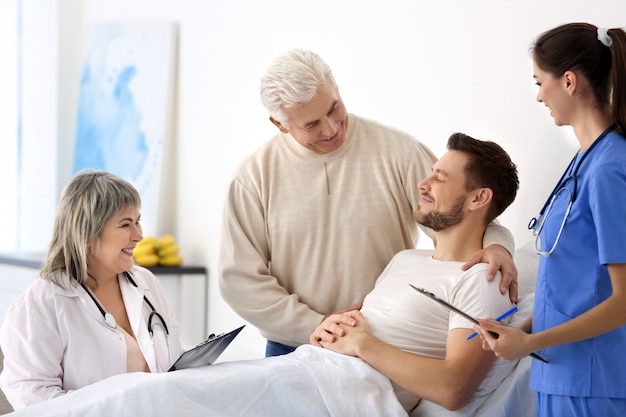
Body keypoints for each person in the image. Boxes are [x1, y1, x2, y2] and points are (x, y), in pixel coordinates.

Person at [2, 133, 521, 417]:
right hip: (308, 365)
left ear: (478, 199)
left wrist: (362, 344)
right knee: (140, 399)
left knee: (144, 399)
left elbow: (454, 389)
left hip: (341, 392)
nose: (423, 180)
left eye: (439, 176)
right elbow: (364, 316)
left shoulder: (485, 278)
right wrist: (330, 328)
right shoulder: (408, 259)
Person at [219, 48, 519, 357]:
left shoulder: (400, 152)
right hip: (295, 345)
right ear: (279, 124)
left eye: (334, 108)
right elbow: (239, 279)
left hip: (384, 342)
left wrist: (497, 247)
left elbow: (469, 215)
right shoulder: (253, 178)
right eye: (311, 125)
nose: (331, 128)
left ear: (337, 89)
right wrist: (317, 324)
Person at [474, 23, 626, 417]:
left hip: (593, 383)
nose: (540, 95)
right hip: (563, 376)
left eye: (541, 82)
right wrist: (522, 330)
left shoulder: (611, 168)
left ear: (570, 81)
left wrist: (531, 343)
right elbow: (574, 286)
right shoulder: (584, 161)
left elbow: (623, 301)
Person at [0, 170, 183, 410]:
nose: (139, 235)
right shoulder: (40, 305)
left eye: (137, 221)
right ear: (88, 234)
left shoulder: (145, 283)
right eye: (126, 224)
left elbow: (172, 360)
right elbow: (34, 400)